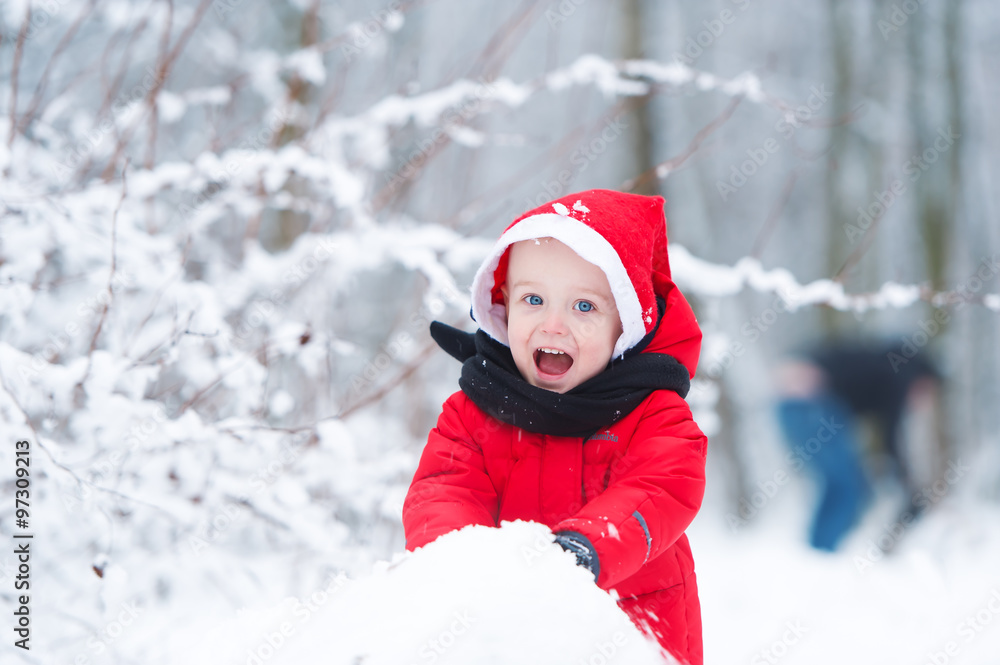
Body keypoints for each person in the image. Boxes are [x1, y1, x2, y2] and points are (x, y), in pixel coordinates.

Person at [403, 189, 708, 664]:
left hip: (627, 622)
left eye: (583, 307)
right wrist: (463, 562)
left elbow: (662, 487)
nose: (553, 325)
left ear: (625, 324)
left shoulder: (653, 414)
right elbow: (444, 490)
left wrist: (583, 549)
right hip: (505, 623)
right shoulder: (473, 411)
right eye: (533, 300)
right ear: (503, 306)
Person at [775, 341, 942, 551]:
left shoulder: (883, 365)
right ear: (923, 379)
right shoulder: (900, 378)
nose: (922, 400)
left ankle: (818, 551)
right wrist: (907, 484)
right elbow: (891, 438)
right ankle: (822, 552)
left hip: (791, 405)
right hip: (812, 403)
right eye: (927, 391)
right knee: (848, 487)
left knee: (841, 485)